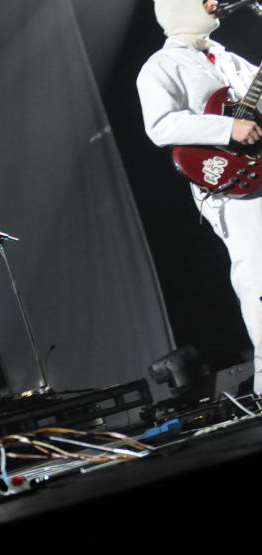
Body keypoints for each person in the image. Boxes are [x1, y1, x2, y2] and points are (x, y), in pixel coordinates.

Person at [137, 0, 262, 394]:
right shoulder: (161, 66)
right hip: (229, 182)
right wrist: (227, 130)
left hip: (257, 166)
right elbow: (160, 125)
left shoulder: (230, 59)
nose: (214, 3)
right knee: (258, 274)